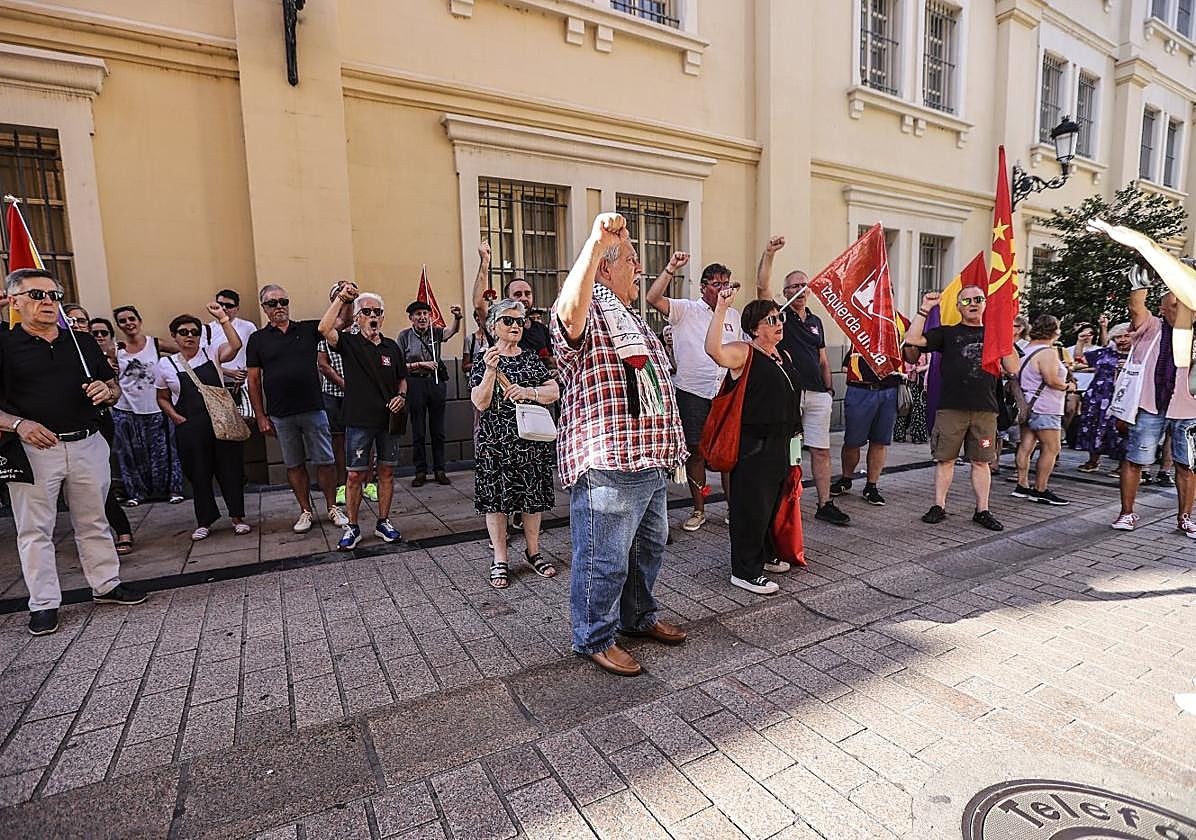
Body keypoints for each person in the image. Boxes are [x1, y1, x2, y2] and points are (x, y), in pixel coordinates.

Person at [554, 212, 688, 678]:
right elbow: (567, 316)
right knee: (604, 560)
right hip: (611, 459)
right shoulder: (589, 309)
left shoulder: (631, 319)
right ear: (606, 269)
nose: (640, 269)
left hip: (651, 457)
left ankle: (638, 617)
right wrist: (594, 245)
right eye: (632, 260)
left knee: (648, 550)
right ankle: (594, 636)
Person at [1, 268, 146, 636]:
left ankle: (106, 585)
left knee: (94, 520)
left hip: (87, 443)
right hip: (34, 449)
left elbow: (113, 386)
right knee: (35, 531)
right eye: (37, 295)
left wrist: (108, 391)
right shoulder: (4, 344)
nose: (48, 302)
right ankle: (44, 603)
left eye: (54, 295)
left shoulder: (81, 343)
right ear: (14, 301)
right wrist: (19, 424)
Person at [704, 291, 801, 595]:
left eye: (779, 317)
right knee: (751, 506)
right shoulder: (744, 352)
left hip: (781, 441)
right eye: (771, 320)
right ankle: (744, 571)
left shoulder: (782, 355)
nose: (779, 323)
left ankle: (766, 554)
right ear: (754, 328)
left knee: (772, 504)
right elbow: (713, 350)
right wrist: (721, 309)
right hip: (753, 443)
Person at [904, 286, 1018, 531]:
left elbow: (1012, 367)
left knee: (982, 461)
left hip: (985, 411)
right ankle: (939, 506)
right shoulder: (947, 333)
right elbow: (912, 340)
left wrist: (1004, 334)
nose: (972, 303)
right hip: (951, 409)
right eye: (966, 300)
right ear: (958, 306)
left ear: (985, 303)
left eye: (978, 299)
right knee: (945, 459)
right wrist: (925, 308)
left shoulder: (995, 335)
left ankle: (982, 510)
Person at [756, 235, 849, 525]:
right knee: (788, 450)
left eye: (804, 285)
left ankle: (825, 503)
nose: (800, 290)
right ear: (785, 292)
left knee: (821, 450)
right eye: (794, 286)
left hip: (818, 394)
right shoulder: (780, 315)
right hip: (790, 394)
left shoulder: (815, 321)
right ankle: (785, 503)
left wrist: (829, 389)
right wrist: (769, 254)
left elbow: (823, 359)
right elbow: (762, 287)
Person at [644, 252, 739, 532]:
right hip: (692, 392)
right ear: (703, 287)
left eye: (727, 284)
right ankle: (699, 509)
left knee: (727, 454)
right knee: (695, 451)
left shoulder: (733, 315)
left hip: (723, 392)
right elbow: (653, 298)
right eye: (717, 284)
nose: (723, 289)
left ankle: (733, 509)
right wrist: (671, 267)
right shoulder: (686, 309)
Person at [470, 298, 560, 587]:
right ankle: (500, 559)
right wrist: (490, 371)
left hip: (530, 440)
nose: (515, 326)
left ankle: (533, 552)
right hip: (496, 441)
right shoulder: (484, 358)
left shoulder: (530, 357)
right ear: (493, 326)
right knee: (496, 501)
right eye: (508, 320)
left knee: (532, 499)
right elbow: (480, 402)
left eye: (519, 321)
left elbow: (554, 391)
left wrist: (528, 392)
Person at [246, 284, 349, 533]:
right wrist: (260, 416)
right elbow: (253, 381)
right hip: (281, 414)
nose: (279, 307)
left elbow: (341, 322)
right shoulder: (257, 340)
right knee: (294, 464)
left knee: (326, 461)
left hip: (313, 408)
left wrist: (344, 299)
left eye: (283, 301)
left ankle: (332, 507)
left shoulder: (307, 329)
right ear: (264, 308)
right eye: (272, 303)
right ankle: (305, 510)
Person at [318, 285, 407, 550]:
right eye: (366, 312)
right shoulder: (350, 343)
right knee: (355, 476)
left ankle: (383, 522)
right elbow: (324, 328)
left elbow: (402, 378)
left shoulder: (392, 347)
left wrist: (402, 396)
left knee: (386, 472)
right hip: (358, 420)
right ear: (357, 317)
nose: (372, 316)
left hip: (388, 421)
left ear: (383, 317)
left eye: (377, 312)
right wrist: (342, 299)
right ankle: (353, 526)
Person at [1109, 267, 1196, 536]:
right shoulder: (1152, 327)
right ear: (1162, 310)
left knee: (1187, 464)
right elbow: (1136, 308)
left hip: (1188, 409)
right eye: (1176, 304)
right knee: (1136, 459)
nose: (1184, 307)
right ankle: (1126, 513)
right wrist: (1141, 278)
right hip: (1151, 405)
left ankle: (1185, 518)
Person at [155, 307, 252, 541]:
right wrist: (175, 417)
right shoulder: (166, 365)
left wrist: (223, 319)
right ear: (174, 336)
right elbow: (162, 397)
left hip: (222, 423)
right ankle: (205, 521)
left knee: (231, 470)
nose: (190, 336)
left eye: (195, 332)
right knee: (198, 474)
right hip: (190, 427)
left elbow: (236, 345)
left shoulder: (211, 353)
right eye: (183, 332)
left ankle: (237, 518)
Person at [111, 304, 184, 507]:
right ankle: (136, 493)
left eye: (131, 319)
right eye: (123, 321)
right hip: (126, 409)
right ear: (119, 325)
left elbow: (185, 353)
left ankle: (172, 490)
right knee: (131, 454)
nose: (128, 323)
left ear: (139, 321)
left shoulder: (155, 344)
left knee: (165, 451)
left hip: (156, 406)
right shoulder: (116, 349)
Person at [73, 313, 134, 555]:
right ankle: (90, 537)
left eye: (81, 320)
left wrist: (107, 391)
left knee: (99, 479)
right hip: (58, 428)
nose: (76, 324)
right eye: (70, 320)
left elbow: (114, 389)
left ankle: (121, 528)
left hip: (96, 421)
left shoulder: (89, 348)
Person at [396, 300, 463, 486]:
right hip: (415, 383)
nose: (423, 317)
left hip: (435, 382)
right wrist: (419, 364)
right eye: (418, 314)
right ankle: (420, 471)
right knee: (418, 430)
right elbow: (399, 365)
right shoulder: (404, 336)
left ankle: (440, 470)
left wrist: (457, 317)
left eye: (426, 313)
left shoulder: (436, 333)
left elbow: (452, 331)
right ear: (411, 318)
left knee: (438, 430)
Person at [1011, 315, 1075, 505]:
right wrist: (1068, 386)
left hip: (1027, 405)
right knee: (1052, 447)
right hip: (1046, 406)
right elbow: (1051, 380)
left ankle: (1022, 485)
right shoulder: (1048, 352)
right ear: (1054, 330)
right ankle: (1040, 489)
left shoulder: (1025, 350)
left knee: (1025, 446)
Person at [316, 282, 369, 505]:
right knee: (338, 440)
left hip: (361, 395)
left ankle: (369, 482)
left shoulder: (361, 327)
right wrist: (345, 384)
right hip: (333, 394)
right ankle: (341, 485)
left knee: (366, 438)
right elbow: (323, 364)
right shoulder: (326, 327)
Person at [831, 348, 901, 505]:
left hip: (888, 390)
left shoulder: (896, 333)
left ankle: (871, 486)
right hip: (860, 389)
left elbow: (911, 357)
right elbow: (845, 366)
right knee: (852, 441)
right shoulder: (862, 335)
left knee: (880, 441)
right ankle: (846, 479)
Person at [472, 241, 554, 360]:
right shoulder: (497, 322)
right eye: (517, 294)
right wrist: (485, 262)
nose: (524, 298)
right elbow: (479, 305)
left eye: (527, 294)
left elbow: (550, 359)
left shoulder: (541, 329)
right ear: (507, 299)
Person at [1077, 318, 1130, 474]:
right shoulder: (1104, 352)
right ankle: (1093, 460)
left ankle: (1122, 465)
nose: (1122, 340)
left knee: (1119, 430)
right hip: (1097, 396)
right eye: (1118, 337)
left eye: (1126, 336)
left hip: (1121, 397)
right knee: (1093, 427)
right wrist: (1080, 341)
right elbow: (1079, 358)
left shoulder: (1138, 356)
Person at [199, 288, 258, 418]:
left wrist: (245, 373)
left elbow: (255, 354)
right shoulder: (206, 330)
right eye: (220, 305)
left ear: (237, 308)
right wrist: (228, 372)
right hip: (217, 385)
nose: (224, 308)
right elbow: (202, 360)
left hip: (243, 384)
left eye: (229, 305)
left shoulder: (248, 327)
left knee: (247, 421)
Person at [893, 352, 929, 444]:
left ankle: (917, 436)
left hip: (918, 382)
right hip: (904, 381)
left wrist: (921, 368)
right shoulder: (903, 348)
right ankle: (899, 435)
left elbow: (930, 365)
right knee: (903, 406)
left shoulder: (925, 350)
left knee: (918, 409)